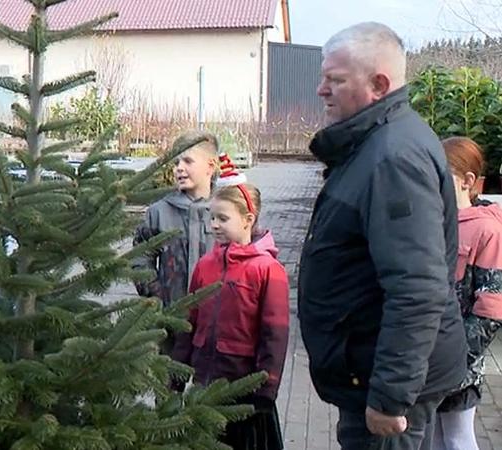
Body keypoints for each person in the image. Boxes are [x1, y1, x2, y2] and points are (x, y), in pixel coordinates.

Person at [298, 22, 468, 450]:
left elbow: (418, 289)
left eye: (334, 80)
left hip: (386, 386)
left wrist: (391, 397)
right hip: (371, 370)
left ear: (378, 84)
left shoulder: (393, 159)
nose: (321, 90)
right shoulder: (375, 144)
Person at [172, 169, 289, 450]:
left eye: (223, 218)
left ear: (248, 220)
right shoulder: (205, 265)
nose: (214, 225)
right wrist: (177, 374)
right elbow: (190, 321)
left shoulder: (268, 269)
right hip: (203, 386)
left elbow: (275, 334)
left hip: (244, 393)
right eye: (212, 217)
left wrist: (266, 389)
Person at [432, 137, 502, 450]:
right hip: (427, 357)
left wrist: (459, 359)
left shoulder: (487, 230)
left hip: (459, 361)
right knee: (433, 437)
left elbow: (491, 308)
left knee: (458, 437)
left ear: (467, 181)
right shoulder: (433, 222)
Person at [132, 130, 218, 353]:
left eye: (188, 161)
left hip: (217, 324)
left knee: (210, 385)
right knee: (169, 384)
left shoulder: (227, 211)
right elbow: (140, 259)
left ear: (210, 166)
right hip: (170, 325)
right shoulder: (159, 212)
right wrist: (157, 298)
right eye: (176, 161)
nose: (179, 168)